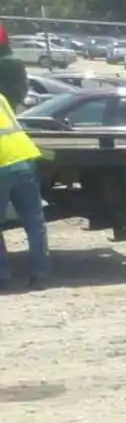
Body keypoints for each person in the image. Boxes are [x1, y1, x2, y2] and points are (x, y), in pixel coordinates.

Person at [0, 51, 51, 290]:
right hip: (24, 160)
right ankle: (40, 274)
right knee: (34, 222)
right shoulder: (1, 98)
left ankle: (3, 276)